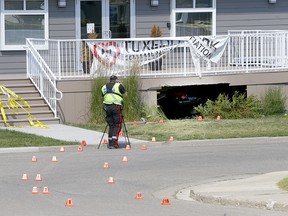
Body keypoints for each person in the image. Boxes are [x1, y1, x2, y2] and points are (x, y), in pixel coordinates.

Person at [101, 75, 127, 149]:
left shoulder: (104, 87)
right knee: (117, 124)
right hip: (116, 107)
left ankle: (110, 142)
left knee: (111, 124)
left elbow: (104, 95)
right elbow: (125, 94)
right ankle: (114, 143)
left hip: (107, 107)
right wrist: (121, 84)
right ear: (116, 80)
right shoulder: (119, 85)